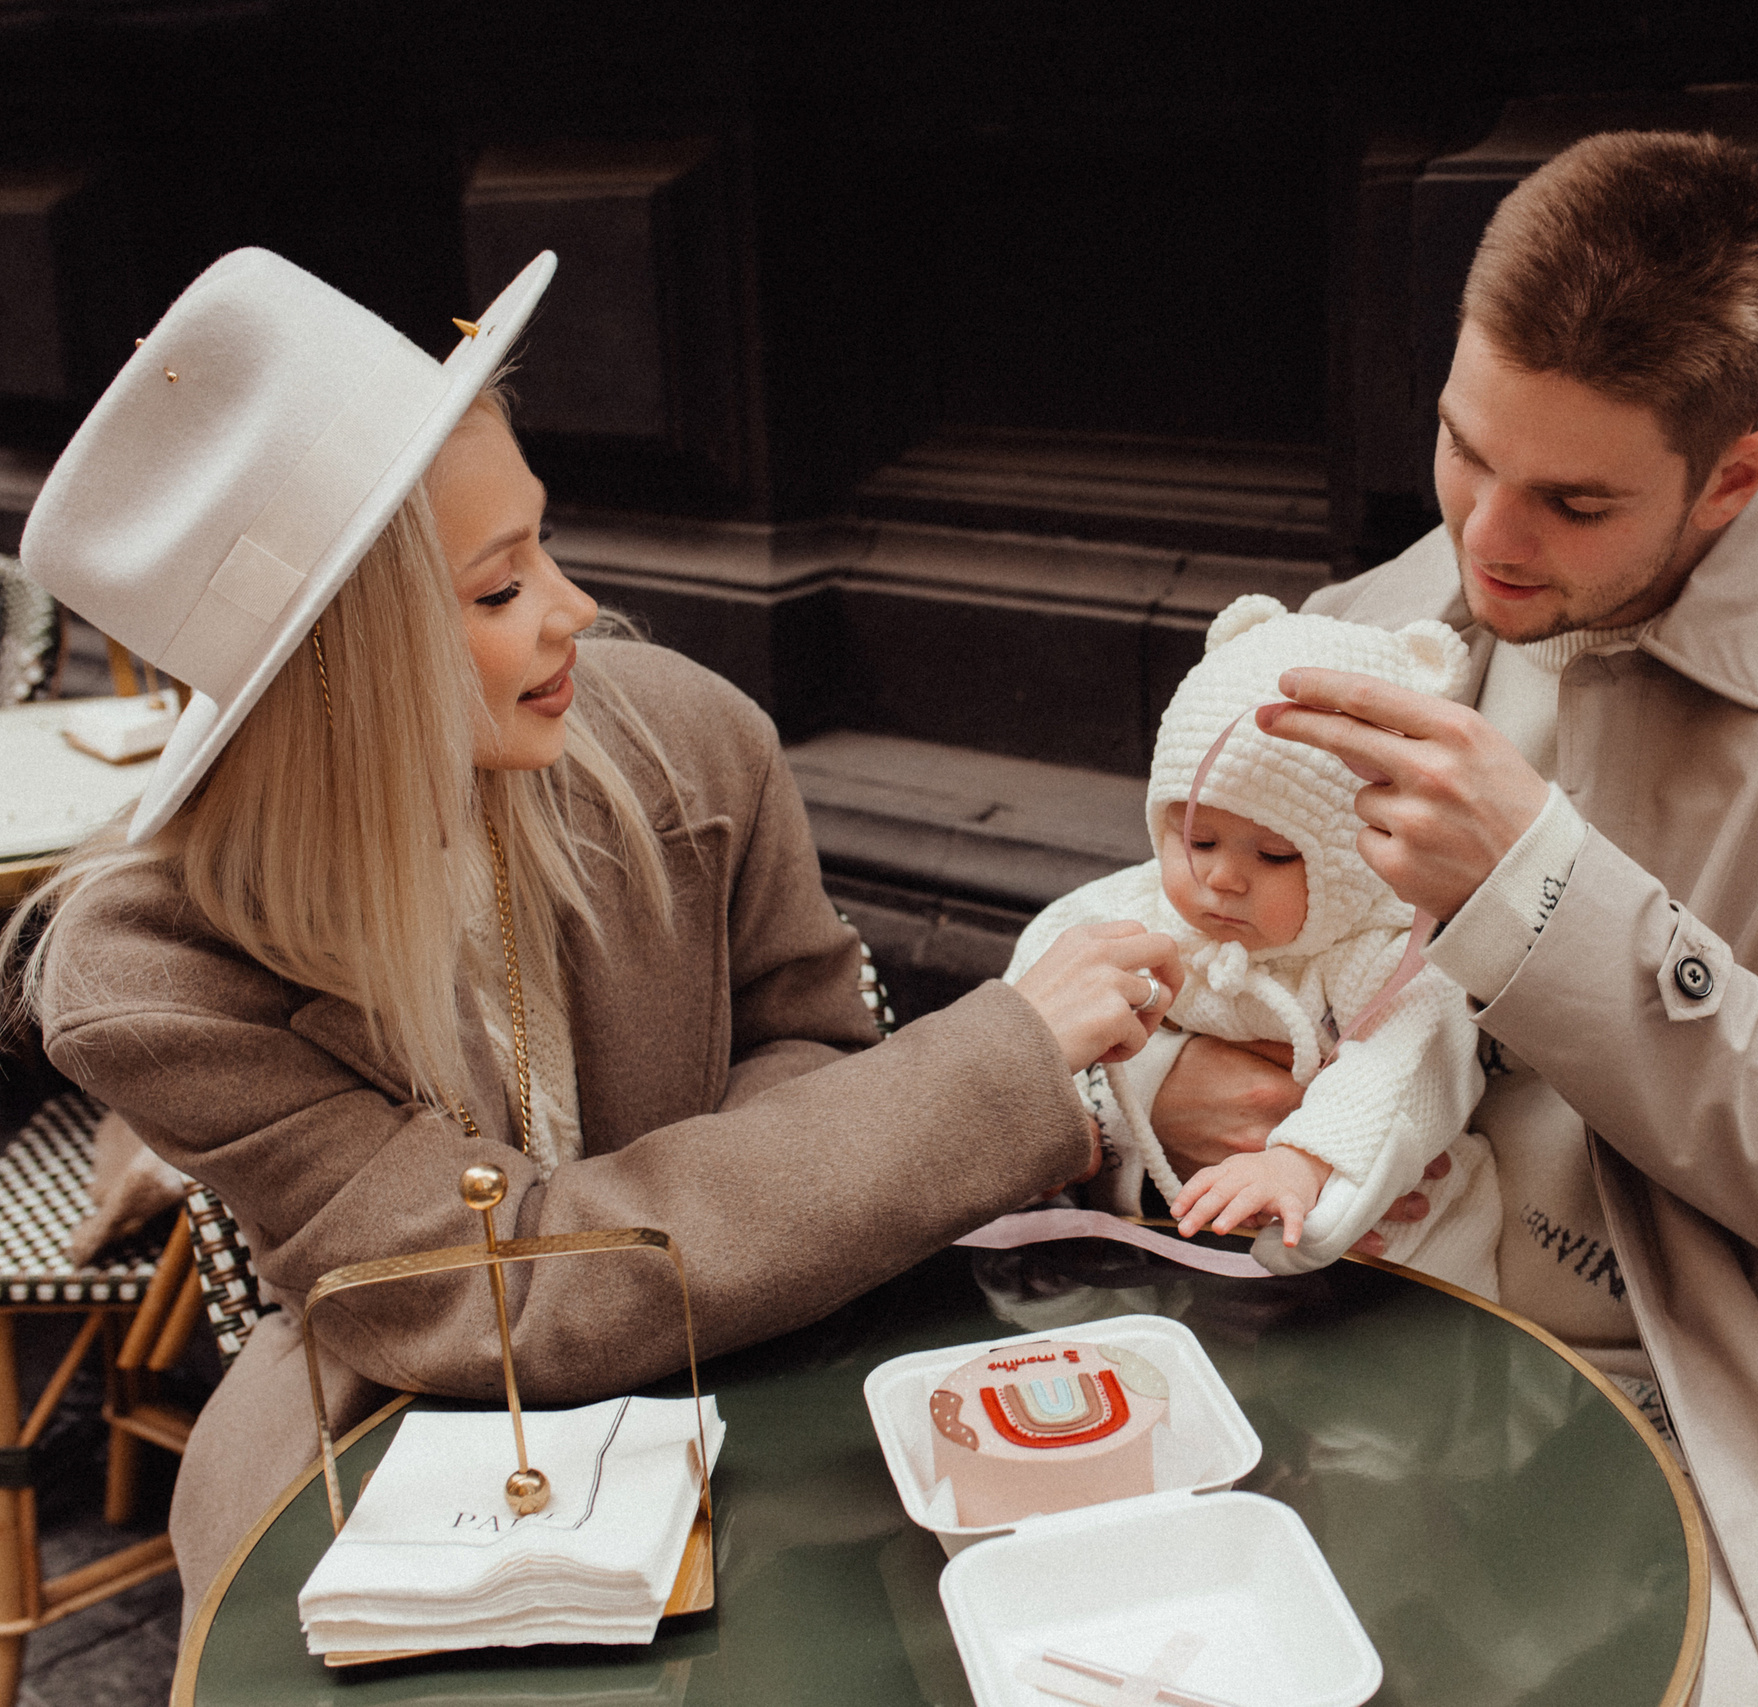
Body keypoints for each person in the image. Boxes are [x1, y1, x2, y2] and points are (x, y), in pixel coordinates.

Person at [1, 249, 1185, 1616]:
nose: (571, 608)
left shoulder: (687, 737)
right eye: (499, 591)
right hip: (403, 1459)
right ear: (347, 684)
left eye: (539, 545)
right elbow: (488, 1297)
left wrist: (730, 1250)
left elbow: (808, 1029)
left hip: (778, 1371)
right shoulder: (153, 976)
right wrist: (996, 1061)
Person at [1141, 132, 1758, 1706]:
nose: (1488, 538)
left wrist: (1546, 896)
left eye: (1574, 499)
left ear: (1736, 473)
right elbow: (1182, 937)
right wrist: (1169, 1077)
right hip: (1382, 1338)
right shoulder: (1382, 621)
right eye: (1460, 448)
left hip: (1745, 1414)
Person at [1005, 594, 1502, 1297]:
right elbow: (1044, 975)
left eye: (1273, 854)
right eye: (1197, 838)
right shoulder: (1141, 911)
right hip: (1175, 1241)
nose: (1221, 876)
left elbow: (1410, 1060)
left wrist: (1302, 1160)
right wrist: (1050, 1087)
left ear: (1356, 855)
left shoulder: (1384, 952)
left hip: (1389, 1257)